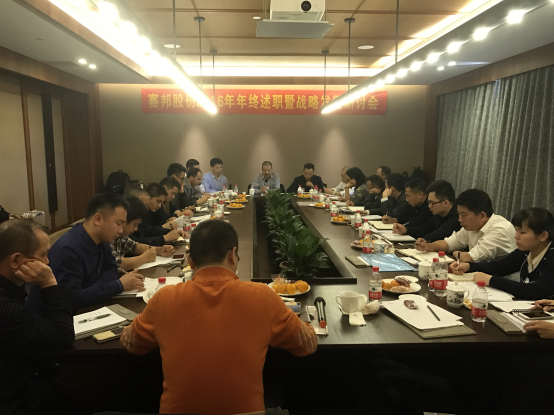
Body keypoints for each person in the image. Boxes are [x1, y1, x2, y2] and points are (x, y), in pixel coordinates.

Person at [121, 220, 317, 414]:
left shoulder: (163, 299)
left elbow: (130, 342)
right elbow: (308, 343)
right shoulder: (263, 296)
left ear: (190, 261)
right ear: (232, 255)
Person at [0, 220, 74, 414]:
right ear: (15, 260)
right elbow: (62, 337)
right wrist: (49, 282)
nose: (47, 262)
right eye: (43, 255)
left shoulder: (9, 290)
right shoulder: (4, 307)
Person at [27, 193, 146, 313]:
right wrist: (118, 286)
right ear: (98, 219)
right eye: (118, 224)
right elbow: (72, 300)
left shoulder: (102, 239)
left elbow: (111, 268)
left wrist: (96, 289)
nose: (120, 230)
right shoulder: (68, 249)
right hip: (50, 318)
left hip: (86, 308)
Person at [451, 208, 554, 300]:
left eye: (522, 232)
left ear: (543, 235)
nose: (516, 236)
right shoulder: (526, 251)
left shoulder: (551, 256)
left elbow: (536, 290)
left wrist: (491, 280)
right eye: (516, 231)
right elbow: (499, 267)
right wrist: (469, 266)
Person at [417, 189, 516, 263]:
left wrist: (456, 253)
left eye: (464, 215)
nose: (459, 219)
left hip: (503, 281)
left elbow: (469, 258)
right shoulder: (472, 225)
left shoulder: (500, 229)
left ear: (482, 215)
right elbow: (450, 243)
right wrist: (429, 246)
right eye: (459, 214)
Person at [111, 196, 175, 272]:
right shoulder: (108, 236)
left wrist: (159, 250)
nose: (136, 229)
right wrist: (144, 258)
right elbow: (116, 263)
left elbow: (134, 246)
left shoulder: (121, 236)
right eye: (135, 225)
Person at [393, 180, 461, 243]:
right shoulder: (438, 214)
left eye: (432, 203)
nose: (429, 206)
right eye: (428, 202)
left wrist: (423, 240)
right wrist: (406, 230)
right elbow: (425, 229)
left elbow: (440, 234)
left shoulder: (458, 216)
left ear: (445, 203)